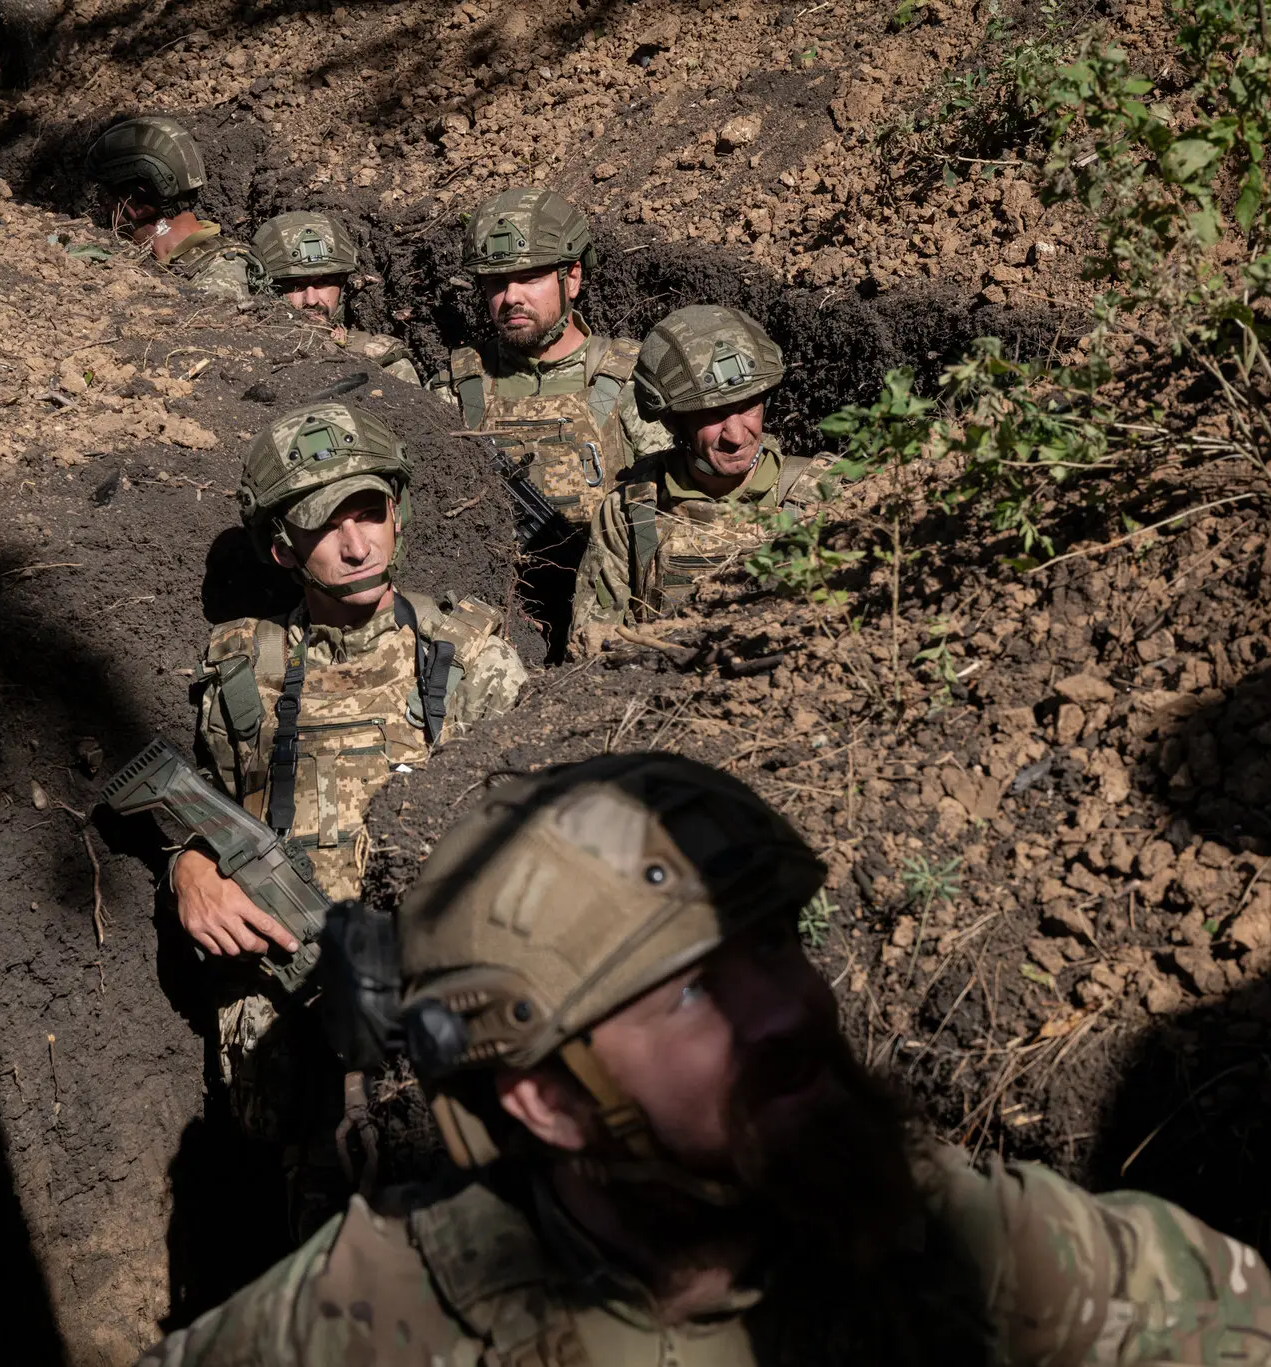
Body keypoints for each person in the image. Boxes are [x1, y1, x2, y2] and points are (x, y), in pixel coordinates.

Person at [140, 752, 1271, 1367]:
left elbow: (1226, 1316)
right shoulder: (373, 1313)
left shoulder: (952, 1241)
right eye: (693, 992)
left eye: (776, 945)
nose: (790, 1008)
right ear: (544, 1096)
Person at [177, 400, 527, 1184]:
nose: (358, 543)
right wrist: (189, 870)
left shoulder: (468, 658)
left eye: (370, 512)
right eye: (327, 524)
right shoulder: (242, 673)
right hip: (298, 1051)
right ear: (281, 545)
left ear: (398, 514)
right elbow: (212, 813)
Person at [572, 304, 833, 653]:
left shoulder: (820, 495)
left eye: (748, 406)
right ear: (673, 422)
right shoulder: (631, 511)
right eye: (713, 415)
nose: (736, 436)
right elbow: (591, 650)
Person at [430, 188, 673, 530]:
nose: (511, 297)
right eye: (496, 282)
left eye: (529, 277)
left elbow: (676, 510)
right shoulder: (456, 388)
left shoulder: (632, 383)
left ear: (572, 278)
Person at [89, 114, 259, 300]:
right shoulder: (186, 264)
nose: (106, 215)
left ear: (136, 207)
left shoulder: (219, 282)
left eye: (107, 202)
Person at [249, 211, 422, 386]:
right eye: (296, 285)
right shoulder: (250, 351)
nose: (311, 300)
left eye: (322, 282)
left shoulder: (380, 358)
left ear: (341, 284)